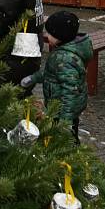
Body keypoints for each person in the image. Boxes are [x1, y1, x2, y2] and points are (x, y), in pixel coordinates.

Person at [21, 11, 90, 143]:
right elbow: (51, 73)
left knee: (66, 138)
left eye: (50, 34)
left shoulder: (66, 59)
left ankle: (70, 155)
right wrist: (34, 78)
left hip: (63, 110)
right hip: (57, 106)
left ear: (61, 37)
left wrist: (66, 120)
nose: (47, 36)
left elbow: (70, 91)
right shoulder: (62, 51)